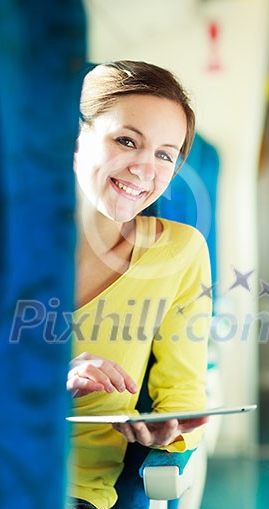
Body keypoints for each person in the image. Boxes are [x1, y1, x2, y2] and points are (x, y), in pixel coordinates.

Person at [66, 60, 212, 509]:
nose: (144, 169)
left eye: (166, 154)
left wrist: (167, 434)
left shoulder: (180, 252)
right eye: (126, 141)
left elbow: (181, 395)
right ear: (74, 137)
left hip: (79, 491)